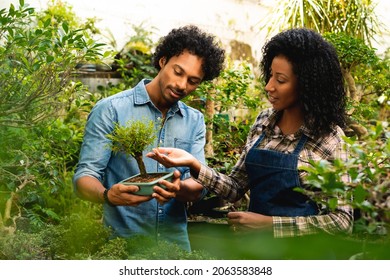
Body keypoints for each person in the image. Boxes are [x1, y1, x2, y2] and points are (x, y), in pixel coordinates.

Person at [147, 28, 354, 238]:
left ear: (308, 85)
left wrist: (272, 225)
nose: (268, 86)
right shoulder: (264, 122)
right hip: (256, 251)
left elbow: (342, 220)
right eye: (270, 75)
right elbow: (235, 187)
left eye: (280, 80)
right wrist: (194, 164)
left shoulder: (330, 139)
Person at [73, 25, 225, 251]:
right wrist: (107, 195)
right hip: (121, 246)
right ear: (163, 61)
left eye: (193, 81)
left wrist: (178, 189)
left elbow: (198, 185)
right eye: (178, 72)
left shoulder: (194, 120)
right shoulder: (111, 110)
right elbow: (85, 176)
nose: (182, 85)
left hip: (175, 248)